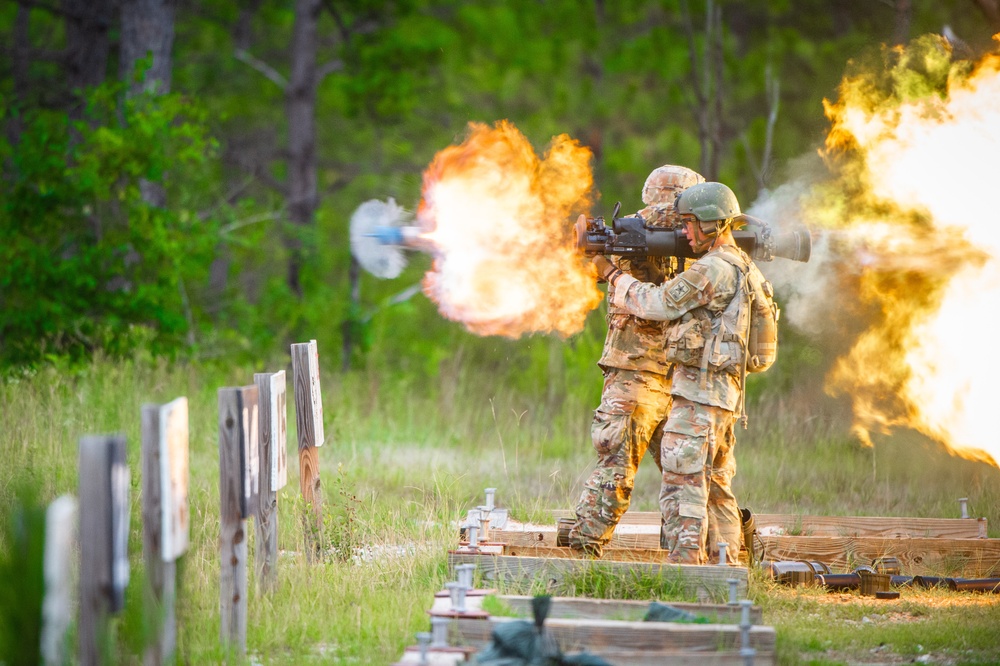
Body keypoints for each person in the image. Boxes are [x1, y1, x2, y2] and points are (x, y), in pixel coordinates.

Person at [592, 181, 762, 565]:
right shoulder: (743, 267)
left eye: (689, 224)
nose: (683, 233)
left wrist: (611, 275)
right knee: (716, 487)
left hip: (698, 396)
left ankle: (688, 574)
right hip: (724, 397)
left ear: (712, 224)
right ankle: (726, 571)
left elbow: (657, 303)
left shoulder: (713, 269)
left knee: (682, 487)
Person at [565, 165, 705, 558]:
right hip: (661, 373)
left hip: (653, 372)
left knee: (662, 472)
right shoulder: (650, 234)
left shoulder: (642, 231)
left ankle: (587, 550)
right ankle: (585, 550)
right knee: (679, 474)